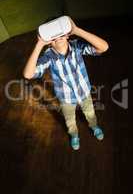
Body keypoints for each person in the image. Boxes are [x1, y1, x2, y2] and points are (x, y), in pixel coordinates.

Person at [23, 16, 109, 150]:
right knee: (70, 120)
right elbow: (28, 74)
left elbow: (104, 47)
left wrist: (77, 30)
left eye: (60, 32)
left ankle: (94, 126)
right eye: (53, 35)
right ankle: (74, 134)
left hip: (84, 92)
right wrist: (39, 44)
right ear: (49, 41)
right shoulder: (48, 57)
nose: (58, 37)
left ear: (67, 34)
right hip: (66, 98)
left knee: (90, 113)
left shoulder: (77, 47)